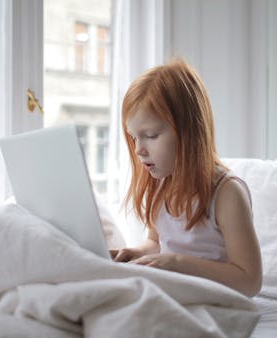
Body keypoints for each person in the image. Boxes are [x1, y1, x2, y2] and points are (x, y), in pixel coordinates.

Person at [110, 59, 262, 297]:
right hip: (174, 295)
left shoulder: (226, 194)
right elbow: (155, 242)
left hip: (215, 301)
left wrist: (178, 264)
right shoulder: (161, 183)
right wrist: (137, 254)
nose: (139, 149)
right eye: (133, 138)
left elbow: (249, 280)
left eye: (150, 135)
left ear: (189, 131)